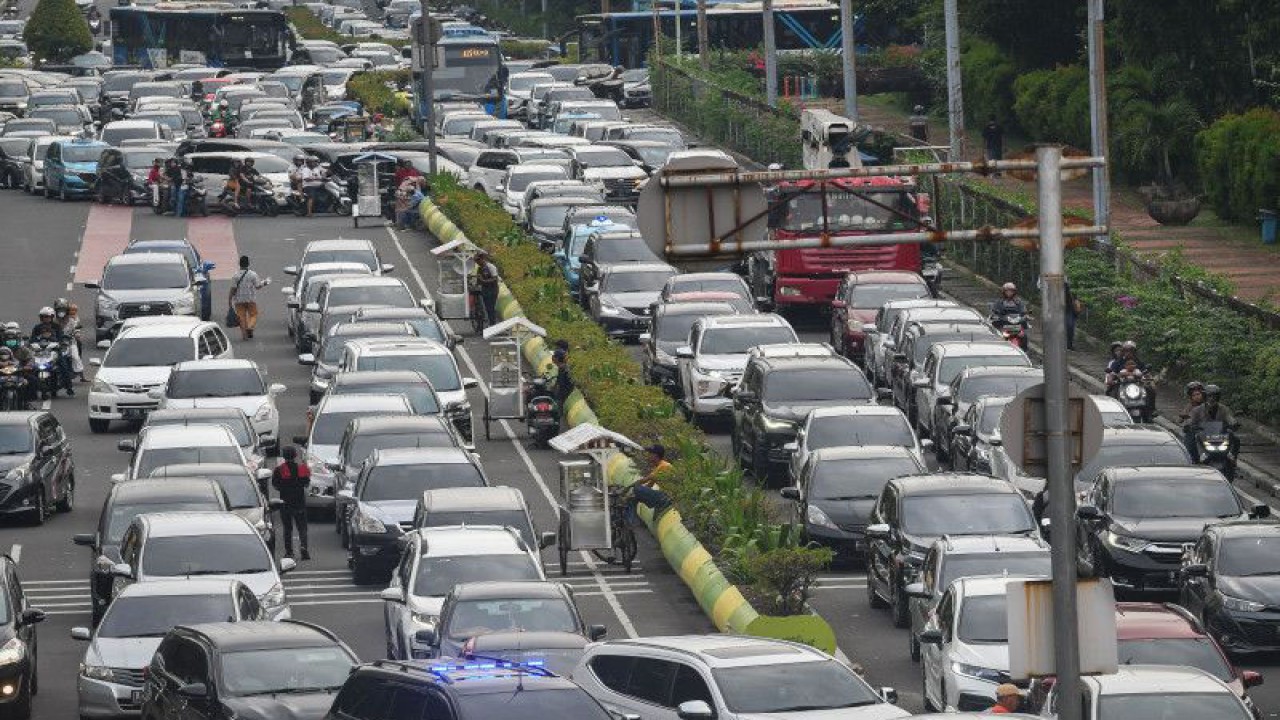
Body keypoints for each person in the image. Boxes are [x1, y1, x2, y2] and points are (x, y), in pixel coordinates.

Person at [270, 445, 310, 560]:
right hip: (299, 502)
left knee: (287, 528)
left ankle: (289, 552)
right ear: (295, 455)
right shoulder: (302, 468)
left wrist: (284, 488)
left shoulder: (279, 470)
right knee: (302, 527)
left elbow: (275, 485)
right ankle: (303, 547)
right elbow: (306, 483)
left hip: (285, 502)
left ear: (283, 456)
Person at [1187, 384, 1239, 460]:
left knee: (1235, 438)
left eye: (1215, 396)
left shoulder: (1224, 408)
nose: (1212, 399)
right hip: (1203, 434)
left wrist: (1234, 423)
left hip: (1220, 434)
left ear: (1218, 397)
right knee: (1192, 439)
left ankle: (1231, 455)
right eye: (1209, 396)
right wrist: (1189, 425)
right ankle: (1199, 455)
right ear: (1205, 397)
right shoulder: (1197, 410)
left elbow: (1229, 417)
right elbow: (1191, 420)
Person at [29, 307, 72, 396]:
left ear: (52, 317)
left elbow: (61, 338)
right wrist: (31, 344)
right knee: (30, 368)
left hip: (54, 351)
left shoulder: (57, 327)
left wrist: (60, 343)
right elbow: (32, 339)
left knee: (63, 366)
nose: (46, 318)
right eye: (43, 317)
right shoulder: (37, 327)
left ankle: (69, 387)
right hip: (40, 351)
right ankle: (30, 390)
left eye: (47, 316)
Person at [627, 444, 672, 521]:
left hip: (666, 497)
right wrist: (634, 496)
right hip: (663, 495)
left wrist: (627, 489)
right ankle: (632, 521)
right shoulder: (658, 467)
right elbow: (650, 485)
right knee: (633, 497)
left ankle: (660, 505)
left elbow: (644, 480)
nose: (648, 456)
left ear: (655, 455)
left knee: (637, 489)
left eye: (650, 453)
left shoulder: (664, 466)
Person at [229, 255, 270, 341]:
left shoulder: (235, 276)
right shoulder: (253, 274)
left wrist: (229, 299)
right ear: (248, 264)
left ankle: (245, 336)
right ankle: (250, 327)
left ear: (239, 264)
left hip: (238, 300)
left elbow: (233, 289)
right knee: (253, 315)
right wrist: (265, 282)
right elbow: (258, 286)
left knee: (241, 318)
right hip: (250, 299)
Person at [55, 298, 85, 382]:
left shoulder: (71, 320)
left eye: (63, 310)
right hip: (56, 343)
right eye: (59, 309)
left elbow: (76, 329)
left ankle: (81, 375)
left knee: (75, 357)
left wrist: (77, 334)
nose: (61, 312)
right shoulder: (53, 321)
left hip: (70, 343)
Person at [474, 250, 500, 329]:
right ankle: (489, 322)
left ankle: (493, 324)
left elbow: (495, 279)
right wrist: (477, 284)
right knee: (486, 307)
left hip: (492, 290)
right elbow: (478, 279)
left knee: (490, 307)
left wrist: (483, 281)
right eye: (476, 261)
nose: (477, 262)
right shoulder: (480, 268)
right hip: (484, 290)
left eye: (478, 260)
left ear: (483, 259)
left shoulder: (491, 267)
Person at [1180, 381, 1206, 458]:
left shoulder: (1208, 405)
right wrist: (1185, 419)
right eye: (1194, 395)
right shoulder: (1189, 406)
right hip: (1194, 432)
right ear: (1190, 397)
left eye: (1198, 394)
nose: (1196, 397)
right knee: (1188, 448)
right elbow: (1181, 418)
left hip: (1208, 431)